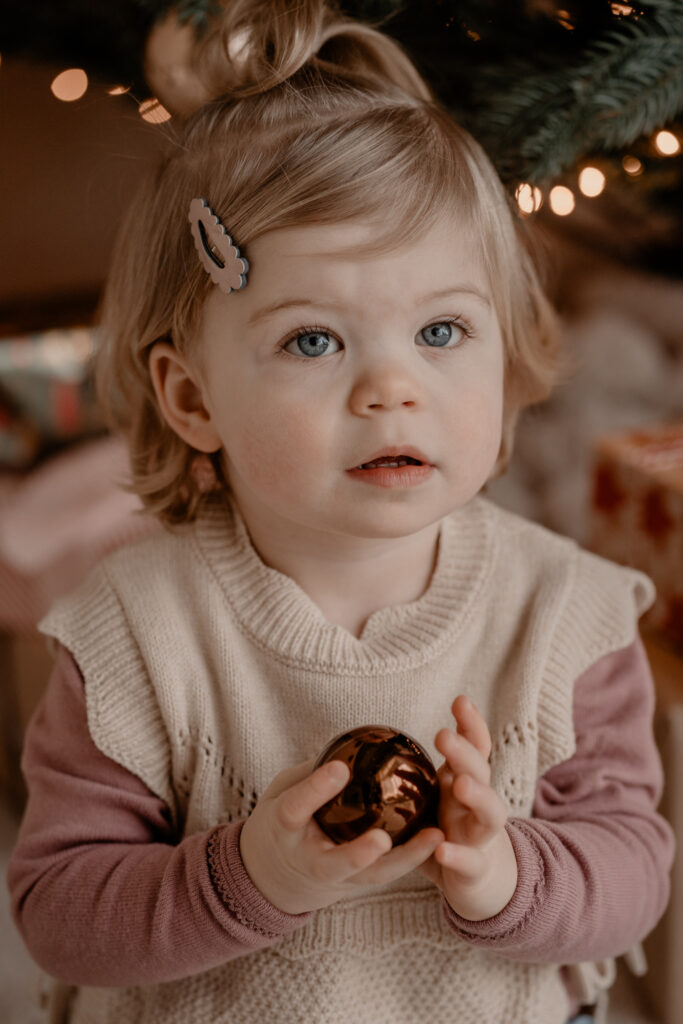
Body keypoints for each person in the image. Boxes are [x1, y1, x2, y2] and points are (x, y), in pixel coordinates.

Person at [8, 2, 675, 1022]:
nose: (391, 388)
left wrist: (504, 875)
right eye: (314, 341)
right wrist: (248, 875)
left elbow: (630, 874)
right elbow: (59, 912)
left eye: (442, 329)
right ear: (191, 398)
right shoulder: (133, 630)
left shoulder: (564, 616)